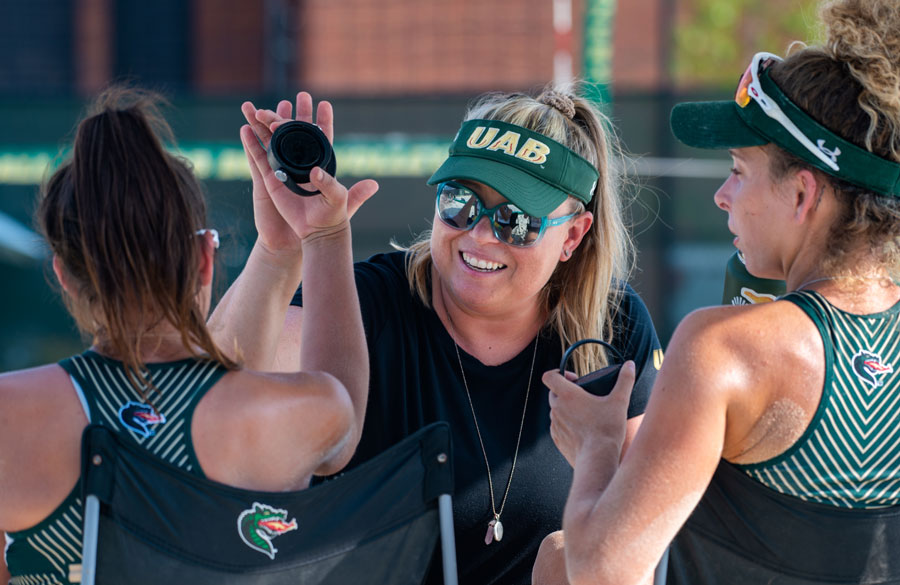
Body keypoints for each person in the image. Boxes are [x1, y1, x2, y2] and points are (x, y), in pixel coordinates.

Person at [209, 85, 664, 584]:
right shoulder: (370, 304)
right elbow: (212, 390)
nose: (480, 234)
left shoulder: (609, 330)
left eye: (516, 221)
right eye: (460, 202)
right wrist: (277, 253)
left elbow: (634, 546)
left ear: (572, 236)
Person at [542, 0, 900, 583]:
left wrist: (598, 445)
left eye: (738, 169)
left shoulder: (724, 348)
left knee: (557, 561)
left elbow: (602, 568)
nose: (722, 195)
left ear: (802, 196)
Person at [0, 86, 372, 583]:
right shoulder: (302, 414)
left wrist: (279, 251)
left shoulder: (10, 417)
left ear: (65, 275)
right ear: (203, 260)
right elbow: (341, 405)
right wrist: (322, 235)